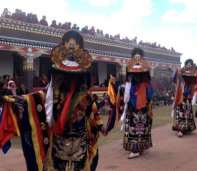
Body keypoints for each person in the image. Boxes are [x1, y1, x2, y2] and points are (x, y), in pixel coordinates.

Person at [0, 30, 116, 171]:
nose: (69, 78)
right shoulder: (51, 94)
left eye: (75, 75)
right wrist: (15, 98)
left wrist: (106, 118)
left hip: (80, 152)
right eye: (64, 74)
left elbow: (96, 121)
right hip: (57, 152)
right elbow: (34, 102)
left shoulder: (86, 97)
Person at [119, 48, 154, 159]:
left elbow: (150, 96)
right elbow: (126, 97)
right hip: (132, 107)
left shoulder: (146, 84)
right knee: (134, 126)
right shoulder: (130, 83)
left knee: (140, 126)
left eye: (139, 57)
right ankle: (137, 148)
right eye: (135, 57)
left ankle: (137, 149)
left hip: (142, 108)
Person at [172, 59, 197, 137]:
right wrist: (177, 72)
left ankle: (187, 127)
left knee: (187, 112)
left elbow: (194, 84)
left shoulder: (193, 73)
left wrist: (191, 94)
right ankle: (180, 129)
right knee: (180, 112)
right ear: (185, 64)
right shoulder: (180, 71)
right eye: (188, 64)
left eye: (190, 64)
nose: (189, 65)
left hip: (188, 96)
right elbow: (174, 80)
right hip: (181, 96)